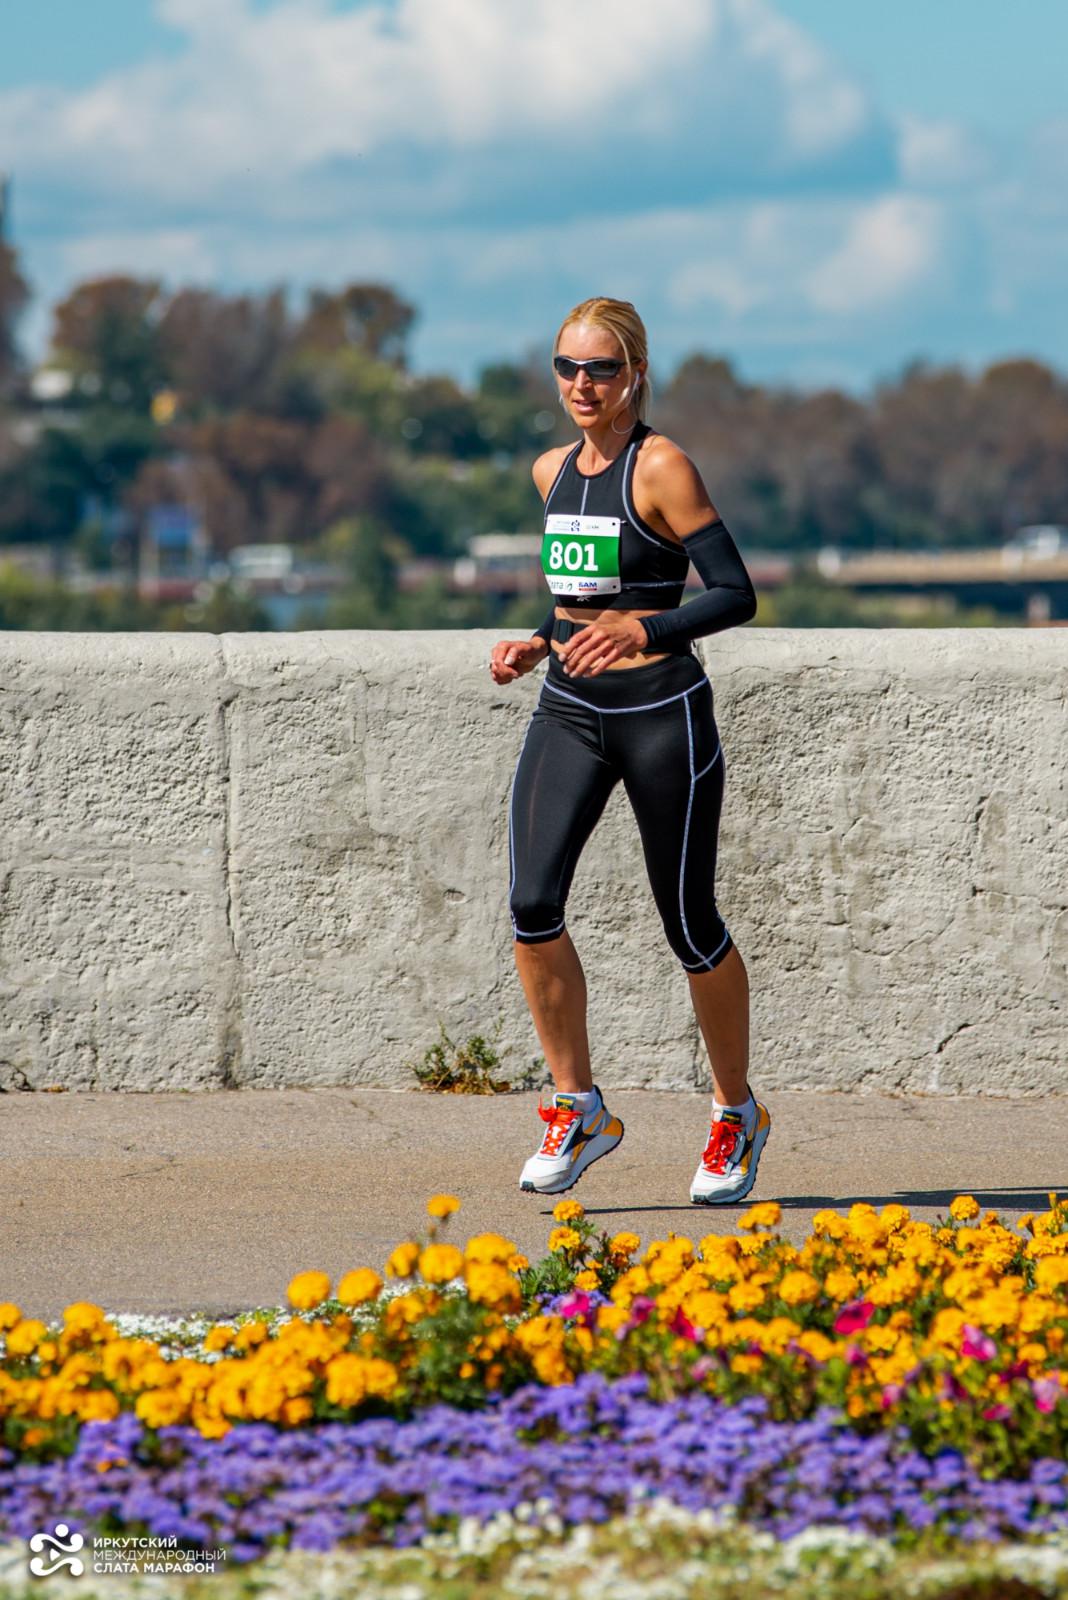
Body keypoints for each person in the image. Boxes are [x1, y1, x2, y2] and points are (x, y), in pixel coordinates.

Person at [489, 296, 768, 1205]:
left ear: (635, 374)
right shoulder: (549, 471)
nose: (582, 383)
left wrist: (644, 630)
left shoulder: (661, 466)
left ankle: (736, 1113)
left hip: (662, 713)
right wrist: (540, 643)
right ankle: (579, 1107)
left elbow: (733, 593)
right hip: (569, 709)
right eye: (567, 366)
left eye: (601, 368)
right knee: (532, 903)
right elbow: (581, 598)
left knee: (689, 922)